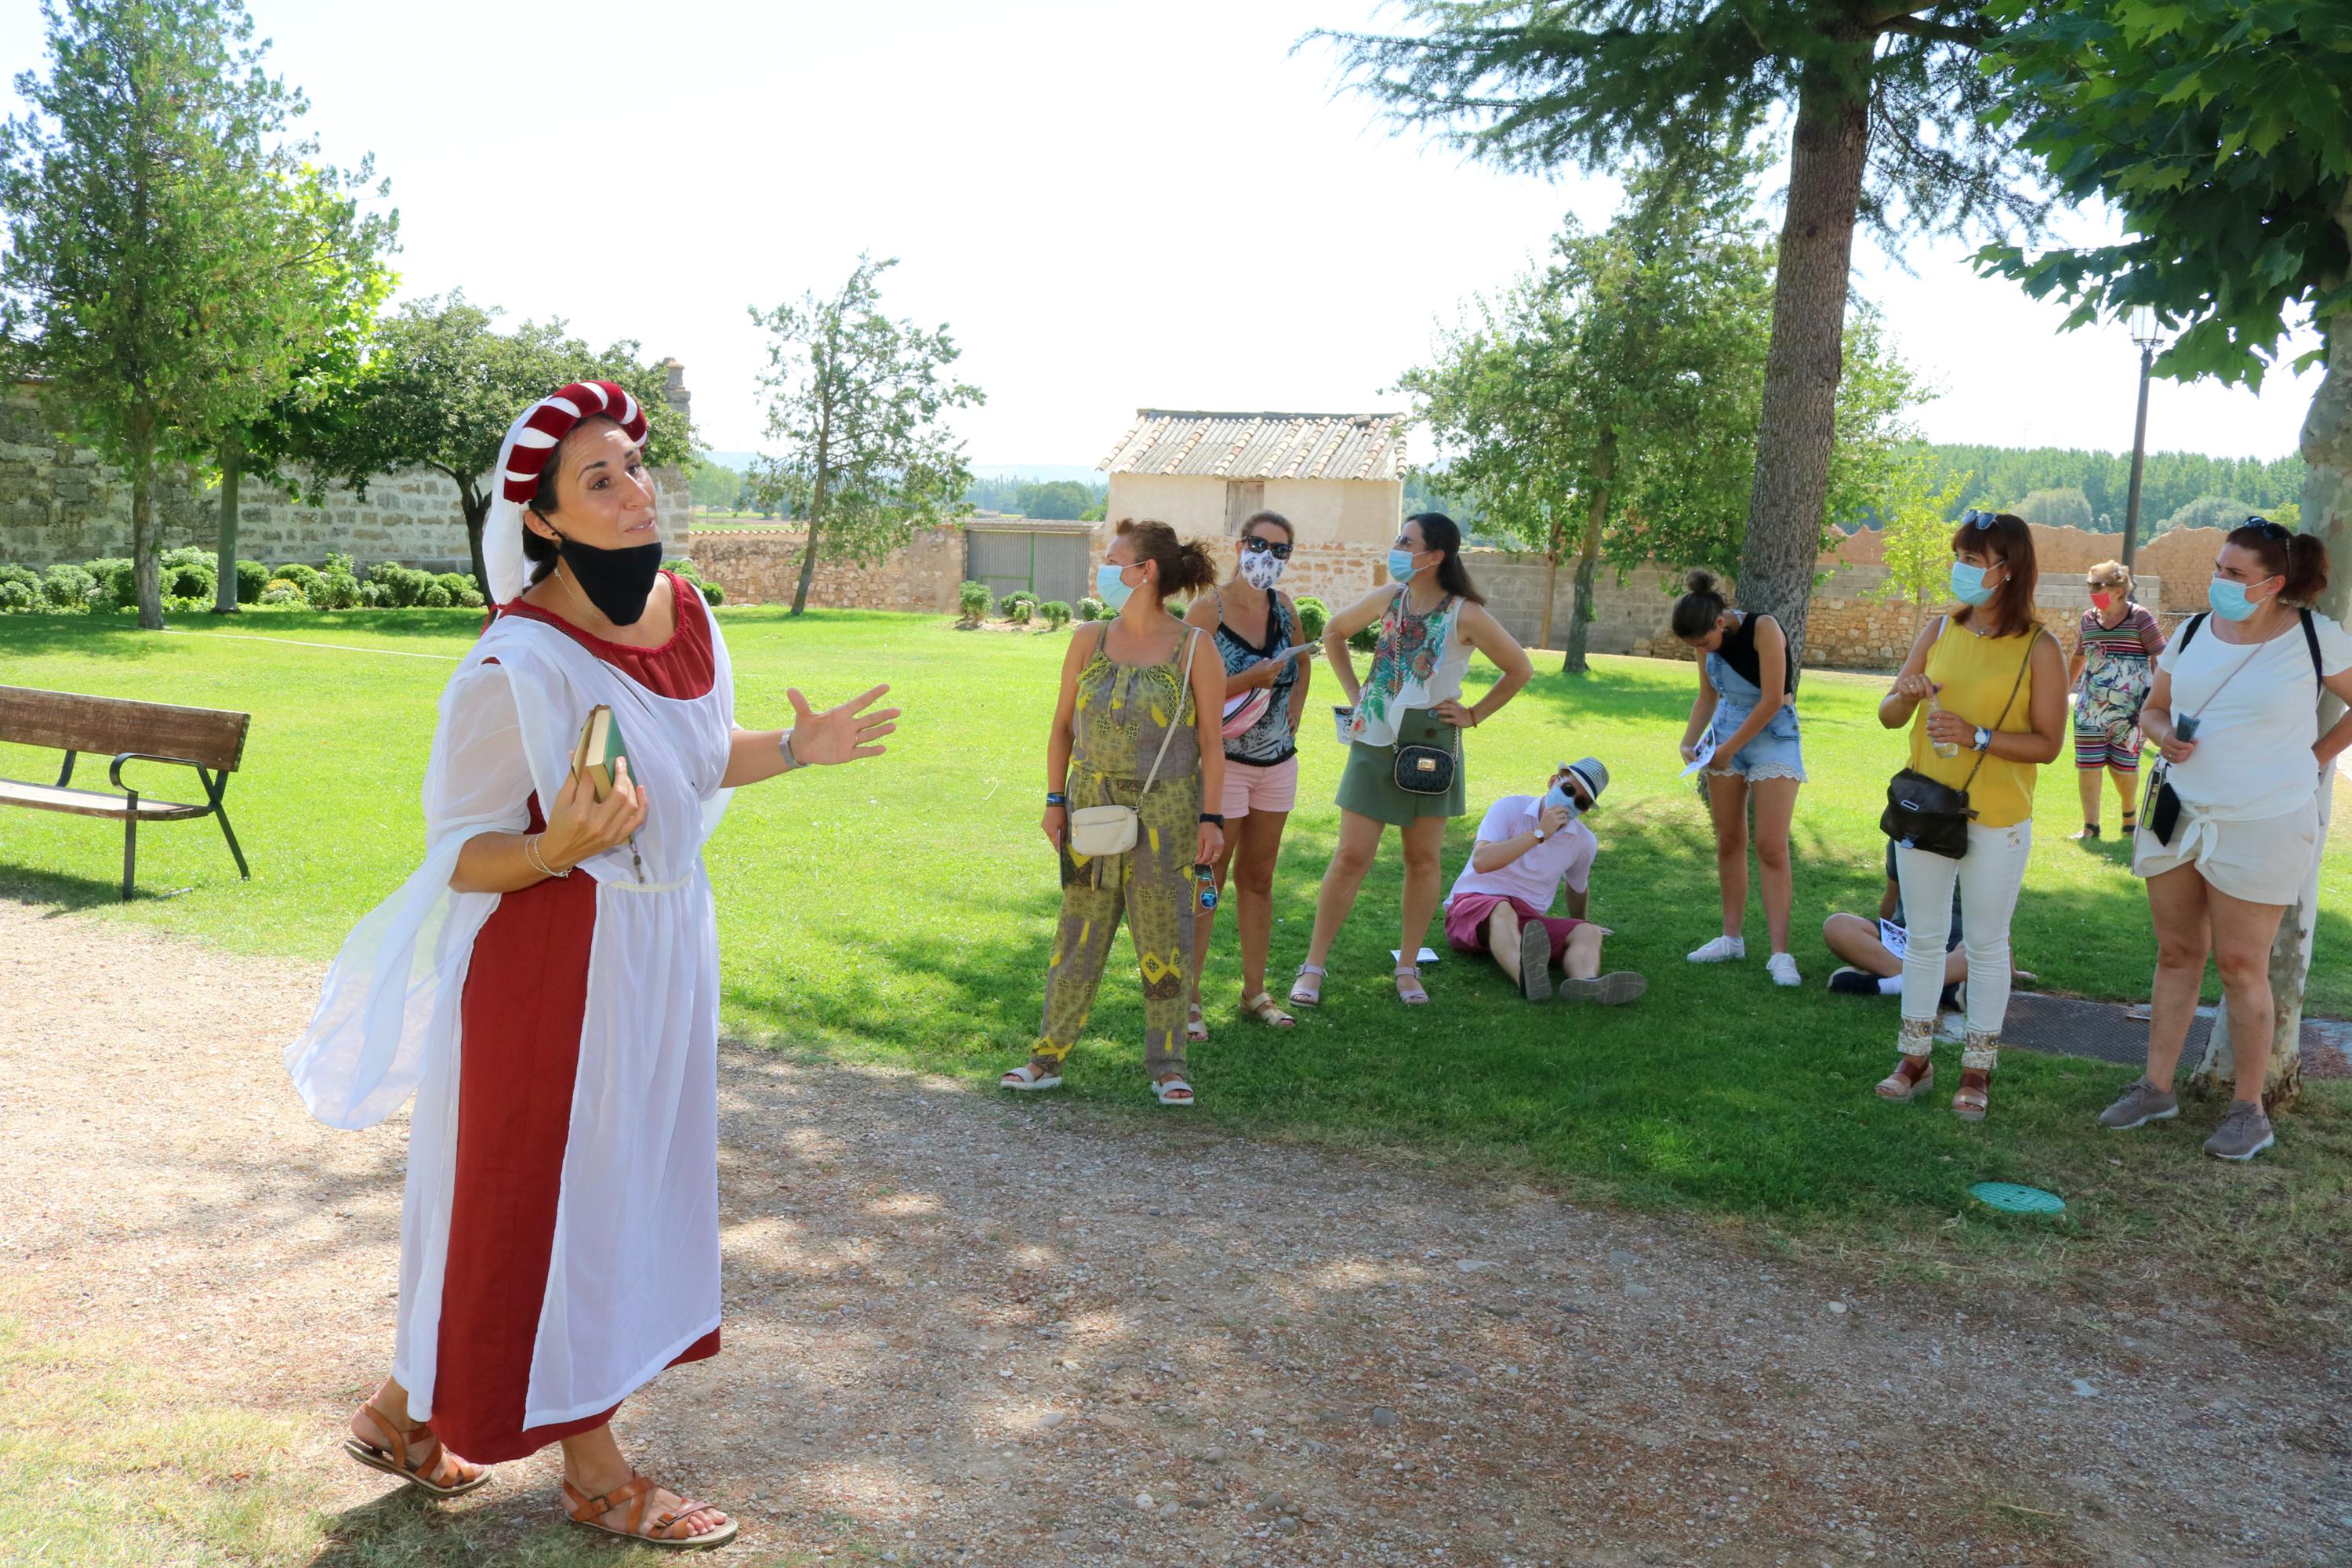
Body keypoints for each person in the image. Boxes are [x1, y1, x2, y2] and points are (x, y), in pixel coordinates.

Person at [284, 382, 898, 1549]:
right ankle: (595, 1471)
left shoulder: (688, 613)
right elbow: (462, 856)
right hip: (552, 965)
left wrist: (795, 750)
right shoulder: (514, 660)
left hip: (661, 947)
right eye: (598, 481)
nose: (632, 491)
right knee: (564, 1202)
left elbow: (697, 759)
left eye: (633, 467)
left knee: (608, 1186)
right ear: (547, 522)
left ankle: (404, 1416)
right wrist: (556, 847)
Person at [2099, 519, 2352, 1161]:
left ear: (2274, 583)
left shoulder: (2315, 637)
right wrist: (2161, 735)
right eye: (2219, 569)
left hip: (2264, 820)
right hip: (2180, 811)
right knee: (2177, 952)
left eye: (2235, 574)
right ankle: (2156, 1087)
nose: (2220, 582)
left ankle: (2249, 1110)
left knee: (2243, 967)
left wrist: (2315, 757)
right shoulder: (2188, 632)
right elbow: (2153, 708)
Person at [1007, 518, 1226, 1105]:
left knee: (1165, 938)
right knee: (1078, 932)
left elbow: (1212, 744)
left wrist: (1212, 819)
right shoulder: (1088, 638)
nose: (1104, 570)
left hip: (1170, 811)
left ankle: (1169, 1066)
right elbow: (1060, 729)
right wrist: (1055, 800)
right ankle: (1046, 1058)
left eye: (1114, 560)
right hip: (1090, 806)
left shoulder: (1194, 647)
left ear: (1145, 572)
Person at [1290, 514, 1534, 1008]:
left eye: (1408, 541)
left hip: (1430, 745)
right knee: (1350, 856)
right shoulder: (1391, 598)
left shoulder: (1466, 614)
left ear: (1436, 556)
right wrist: (1358, 693)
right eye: (1399, 538)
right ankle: (1312, 967)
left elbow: (1519, 667)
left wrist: (1474, 714)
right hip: (1375, 739)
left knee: (1421, 861)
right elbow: (1334, 633)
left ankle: (1407, 967)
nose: (1397, 547)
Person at [1871, 510, 2066, 1120]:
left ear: (2008, 572)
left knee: (1985, 945)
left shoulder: (2041, 648)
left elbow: (2050, 745)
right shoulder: (1939, 629)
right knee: (1925, 940)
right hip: (1927, 809)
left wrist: (1980, 735)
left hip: (1998, 817)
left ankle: (1978, 1069)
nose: (1962, 571)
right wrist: (1902, 694)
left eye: (1975, 562)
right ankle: (1914, 1059)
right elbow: (1887, 715)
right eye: (1959, 557)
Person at [1182, 510, 1317, 1036]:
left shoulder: (1284, 606)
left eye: (1280, 550)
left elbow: (1302, 664)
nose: (1268, 557)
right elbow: (1185, 694)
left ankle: (1254, 992)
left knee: (1259, 880)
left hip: (1277, 767)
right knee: (1209, 879)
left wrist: (1294, 718)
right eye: (1260, 544)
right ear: (1239, 546)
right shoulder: (1207, 610)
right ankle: (1189, 998)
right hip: (1224, 769)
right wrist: (1248, 680)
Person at [1671, 571, 1807, 987]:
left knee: (1770, 845)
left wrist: (1729, 750)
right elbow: (1707, 696)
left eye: (1703, 643)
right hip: (1726, 729)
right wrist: (1689, 741)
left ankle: (1781, 954)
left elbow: (1771, 700)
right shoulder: (1704, 639)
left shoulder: (1763, 628)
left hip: (1773, 735)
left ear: (1718, 622)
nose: (1702, 650)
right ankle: (1731, 939)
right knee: (1729, 838)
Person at [1442, 757, 1646, 1004]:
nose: (1571, 802)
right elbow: (1481, 862)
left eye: (1581, 802)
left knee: (1588, 932)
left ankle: (1587, 984)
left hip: (1528, 921)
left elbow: (1577, 887)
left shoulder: (1584, 842)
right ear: (1553, 782)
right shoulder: (1509, 808)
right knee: (1501, 908)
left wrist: (1579, 924)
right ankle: (1526, 979)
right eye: (1568, 790)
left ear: (1584, 810)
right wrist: (1539, 833)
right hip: (1473, 904)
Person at [2067, 559, 2166, 840]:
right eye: (2091, 585)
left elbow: (2162, 657)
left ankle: (2129, 814)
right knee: (2088, 764)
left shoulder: (2140, 618)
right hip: (2090, 707)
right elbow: (2078, 656)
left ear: (2119, 590)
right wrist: (2063, 692)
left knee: (2123, 766)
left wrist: (2160, 699)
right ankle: (2090, 826)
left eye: (2100, 585)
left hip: (2131, 710)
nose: (2094, 591)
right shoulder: (2088, 619)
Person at [1824, 841, 1966, 1006]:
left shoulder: (1986, 838)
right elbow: (1891, 897)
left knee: (1994, 953)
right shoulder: (1905, 831)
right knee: (1837, 926)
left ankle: (1888, 984)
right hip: (1905, 931)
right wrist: (1880, 945)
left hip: (1959, 942)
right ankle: (1943, 985)